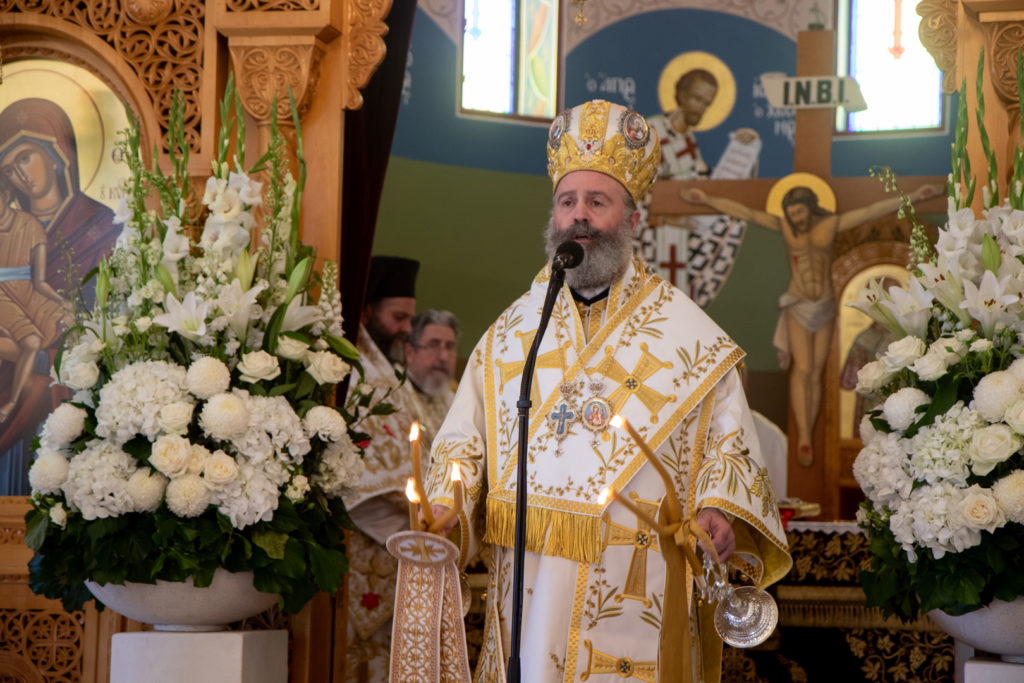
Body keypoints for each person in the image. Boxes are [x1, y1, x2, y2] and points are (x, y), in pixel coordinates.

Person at [424, 100, 791, 683]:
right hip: (531, 587)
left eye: (598, 202)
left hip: (642, 582)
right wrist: (446, 505)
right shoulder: (511, 334)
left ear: (632, 220)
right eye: (568, 202)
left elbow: (729, 444)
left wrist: (719, 509)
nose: (580, 218)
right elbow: (465, 440)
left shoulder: (686, 334)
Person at [682, 183, 941, 466]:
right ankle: (804, 435)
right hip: (798, 303)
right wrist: (707, 198)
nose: (797, 218)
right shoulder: (785, 227)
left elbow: (869, 211)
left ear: (811, 207)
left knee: (816, 373)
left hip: (825, 304)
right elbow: (747, 213)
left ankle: (810, 429)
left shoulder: (829, 225)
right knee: (802, 369)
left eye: (800, 211)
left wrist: (914, 195)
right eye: (792, 213)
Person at [343, 254, 423, 682]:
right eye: (399, 317)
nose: (408, 328)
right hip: (364, 553)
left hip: (398, 556)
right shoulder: (351, 375)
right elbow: (358, 490)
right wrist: (420, 537)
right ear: (368, 311)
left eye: (410, 318)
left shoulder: (388, 373)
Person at [642, 67, 758, 306]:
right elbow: (638, 188)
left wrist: (746, 149)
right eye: (696, 98)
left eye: (707, 103)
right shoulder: (652, 131)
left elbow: (703, 180)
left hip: (687, 226)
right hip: (653, 231)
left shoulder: (689, 141)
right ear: (682, 95)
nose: (700, 108)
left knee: (734, 215)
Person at [0, 175, 69, 423]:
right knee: (31, 341)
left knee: (68, 321)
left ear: (7, 196)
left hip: (27, 292)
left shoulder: (29, 224)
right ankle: (10, 404)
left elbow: (39, 282)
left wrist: (62, 302)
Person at [403, 309, 460, 441]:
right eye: (433, 345)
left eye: (450, 347)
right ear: (410, 352)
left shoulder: (454, 401)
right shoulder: (394, 396)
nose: (444, 357)